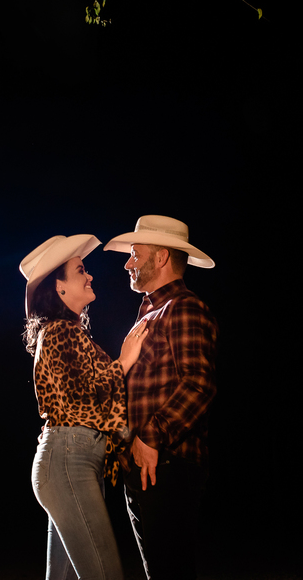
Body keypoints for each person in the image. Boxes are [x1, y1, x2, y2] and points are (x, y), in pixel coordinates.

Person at [20, 234, 150, 580]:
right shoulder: (60, 331)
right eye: (80, 270)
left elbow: (77, 399)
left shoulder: (67, 332)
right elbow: (82, 394)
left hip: (71, 459)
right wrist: (123, 362)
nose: (89, 275)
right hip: (68, 461)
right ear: (59, 288)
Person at [103, 215, 218, 580]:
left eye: (136, 254)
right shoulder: (149, 314)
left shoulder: (184, 307)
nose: (127, 263)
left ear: (163, 257)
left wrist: (152, 437)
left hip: (169, 462)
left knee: (170, 570)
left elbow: (199, 383)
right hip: (145, 466)